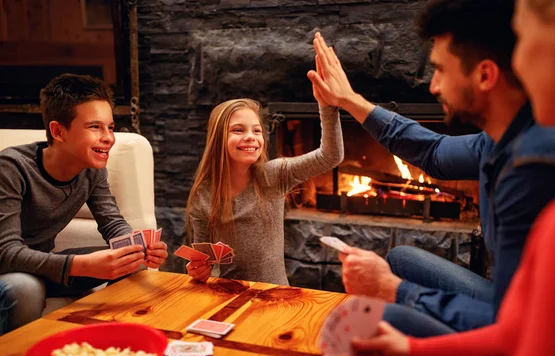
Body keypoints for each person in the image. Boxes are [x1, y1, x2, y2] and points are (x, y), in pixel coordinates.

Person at [310, 0, 555, 356]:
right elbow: (432, 152)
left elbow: (517, 336)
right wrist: (349, 101)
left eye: (440, 70)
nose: (432, 85)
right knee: (398, 264)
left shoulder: (540, 167)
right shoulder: (499, 138)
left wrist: (394, 295)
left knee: (374, 347)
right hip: (513, 317)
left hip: (512, 328)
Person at [0, 74, 168, 333]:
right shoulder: (11, 167)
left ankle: (104, 337)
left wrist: (140, 246)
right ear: (58, 131)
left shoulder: (92, 169)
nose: (108, 138)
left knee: (131, 260)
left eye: (110, 127)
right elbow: (7, 253)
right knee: (26, 288)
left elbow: (112, 223)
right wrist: (82, 265)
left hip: (44, 266)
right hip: (8, 272)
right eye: (94, 127)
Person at [185, 84, 344, 285]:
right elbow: (202, 260)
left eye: (257, 130)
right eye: (238, 130)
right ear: (218, 139)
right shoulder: (203, 195)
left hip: (273, 295)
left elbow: (331, 156)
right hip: (224, 296)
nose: (251, 136)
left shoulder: (275, 174)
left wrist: (327, 107)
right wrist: (198, 271)